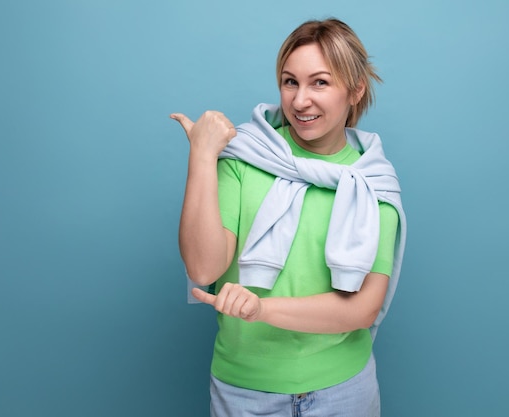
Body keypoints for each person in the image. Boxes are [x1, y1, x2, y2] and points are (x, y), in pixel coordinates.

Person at [171, 18, 406, 417]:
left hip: (343, 391)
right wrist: (203, 156)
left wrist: (263, 310)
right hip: (243, 391)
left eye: (320, 82)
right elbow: (203, 265)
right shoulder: (246, 156)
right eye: (290, 81)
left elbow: (362, 308)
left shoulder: (370, 179)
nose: (300, 101)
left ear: (356, 89)